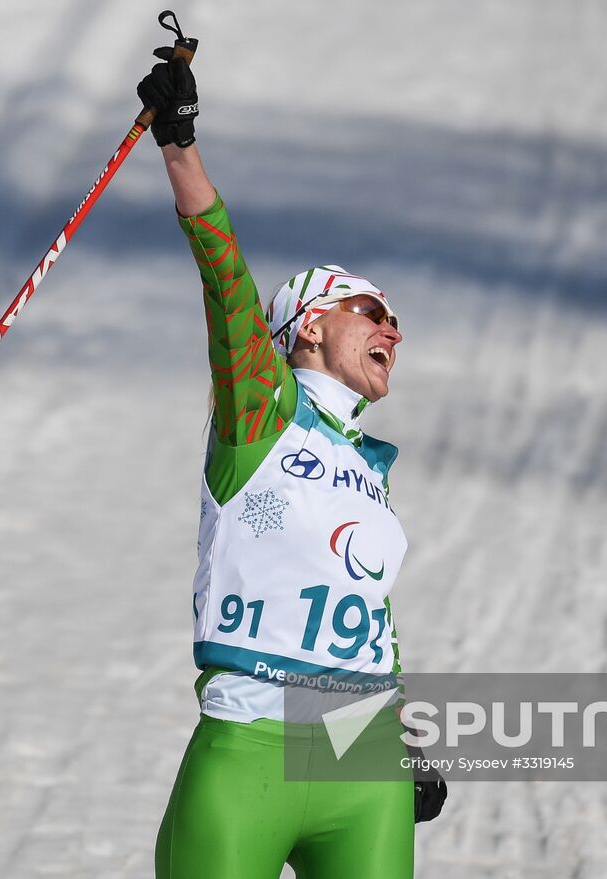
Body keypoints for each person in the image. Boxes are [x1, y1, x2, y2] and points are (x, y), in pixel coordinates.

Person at [139, 49, 446, 879]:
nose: (394, 330)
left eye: (395, 319)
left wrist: (407, 726)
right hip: (251, 748)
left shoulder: (367, 462)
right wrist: (179, 144)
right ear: (309, 326)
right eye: (372, 311)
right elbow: (226, 279)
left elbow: (366, 604)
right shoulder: (260, 414)